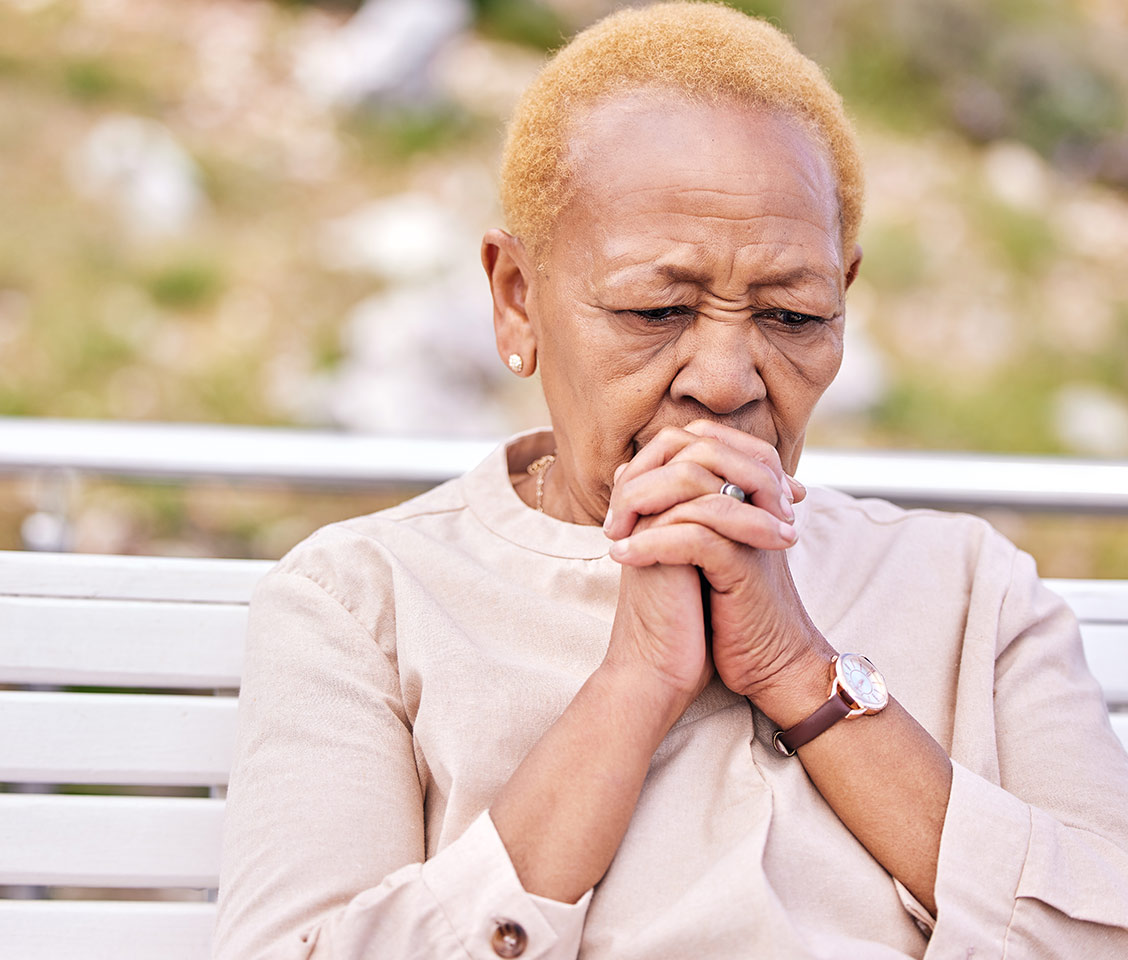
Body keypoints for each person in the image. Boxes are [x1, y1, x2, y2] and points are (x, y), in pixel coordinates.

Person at [212, 4, 1128, 958]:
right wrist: (632, 686)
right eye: (657, 309)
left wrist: (798, 670)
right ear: (517, 300)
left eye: (791, 315)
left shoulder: (974, 591)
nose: (726, 381)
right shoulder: (360, 603)